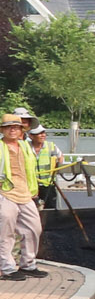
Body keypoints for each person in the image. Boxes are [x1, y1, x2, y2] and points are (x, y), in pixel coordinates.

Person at [0, 117, 41, 279]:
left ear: (21, 131)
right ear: (2, 130)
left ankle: (28, 264)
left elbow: (30, 169)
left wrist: (33, 189)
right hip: (5, 193)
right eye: (8, 127)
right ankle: (7, 268)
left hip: (24, 193)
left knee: (33, 228)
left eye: (16, 127)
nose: (12, 130)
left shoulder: (25, 146)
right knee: (5, 232)